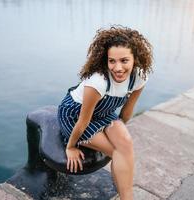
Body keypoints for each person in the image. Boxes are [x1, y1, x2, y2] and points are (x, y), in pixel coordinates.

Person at [57, 25, 153, 200]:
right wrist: (70, 147)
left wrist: (118, 132)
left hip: (103, 112)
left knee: (126, 143)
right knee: (116, 151)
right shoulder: (98, 82)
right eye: (112, 61)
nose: (117, 68)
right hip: (75, 115)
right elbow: (83, 121)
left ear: (135, 59)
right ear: (106, 60)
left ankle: (126, 197)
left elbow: (127, 110)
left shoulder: (139, 77)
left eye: (124, 60)